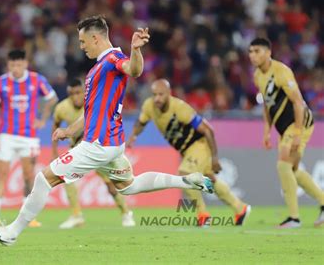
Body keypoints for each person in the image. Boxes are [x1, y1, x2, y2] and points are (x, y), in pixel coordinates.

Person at [0, 15, 213, 245]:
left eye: (83, 42)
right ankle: (187, 181)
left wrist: (136, 50)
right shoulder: (97, 69)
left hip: (98, 144)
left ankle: (10, 233)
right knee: (128, 186)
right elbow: (91, 112)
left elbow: (133, 70)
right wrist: (70, 131)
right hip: (112, 143)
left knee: (44, 180)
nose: (81, 47)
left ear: (95, 38)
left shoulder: (114, 59)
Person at [127, 79, 251, 227]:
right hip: (186, 151)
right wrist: (133, 136)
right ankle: (240, 207)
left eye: (161, 94)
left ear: (169, 93)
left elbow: (207, 130)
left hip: (198, 145)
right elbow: (140, 123)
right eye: (154, 94)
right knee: (210, 180)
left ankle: (203, 216)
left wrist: (215, 158)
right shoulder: (149, 106)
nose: (157, 98)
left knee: (185, 173)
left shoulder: (180, 108)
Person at [249, 37, 324, 228]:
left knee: (283, 163)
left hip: (299, 123)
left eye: (257, 51)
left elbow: (298, 102)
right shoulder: (258, 76)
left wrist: (298, 132)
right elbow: (267, 104)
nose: (252, 55)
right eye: (250, 51)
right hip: (284, 127)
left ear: (268, 52)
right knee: (293, 169)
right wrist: (266, 132)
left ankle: (294, 218)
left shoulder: (281, 71)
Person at [0, 49, 58, 227]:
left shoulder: (36, 80)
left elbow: (52, 98)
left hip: (29, 136)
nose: (15, 68)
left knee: (28, 175)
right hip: (6, 135)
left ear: (25, 64)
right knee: (1, 174)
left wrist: (42, 118)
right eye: (12, 65)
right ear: (8, 65)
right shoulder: (1, 82)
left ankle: (27, 217)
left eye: (18, 64)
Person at [52, 78, 135, 229]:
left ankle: (126, 212)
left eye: (78, 92)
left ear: (83, 91)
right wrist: (54, 150)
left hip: (97, 149)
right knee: (65, 177)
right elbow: (55, 125)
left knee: (111, 185)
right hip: (78, 150)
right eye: (72, 93)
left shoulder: (92, 103)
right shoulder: (61, 108)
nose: (75, 96)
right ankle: (76, 215)